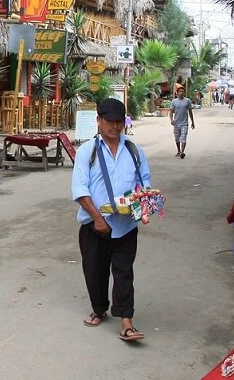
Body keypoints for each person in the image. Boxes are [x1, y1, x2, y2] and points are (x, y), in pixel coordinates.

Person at [71, 98, 152, 342]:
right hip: (93, 225)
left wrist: (144, 203)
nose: (115, 127)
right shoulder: (88, 151)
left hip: (126, 225)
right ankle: (99, 308)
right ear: (98, 121)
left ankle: (126, 320)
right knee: (95, 272)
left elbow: (145, 183)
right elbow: (80, 189)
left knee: (124, 272)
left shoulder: (134, 150)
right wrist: (97, 218)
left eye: (119, 122)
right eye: (109, 121)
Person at [169, 86, 194, 158]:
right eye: (180, 91)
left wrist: (192, 122)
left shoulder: (187, 101)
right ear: (177, 93)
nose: (181, 93)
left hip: (184, 123)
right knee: (177, 138)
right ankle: (179, 150)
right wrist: (171, 120)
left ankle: (182, 152)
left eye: (183, 91)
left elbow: (190, 112)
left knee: (183, 137)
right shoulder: (174, 101)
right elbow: (170, 111)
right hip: (176, 123)